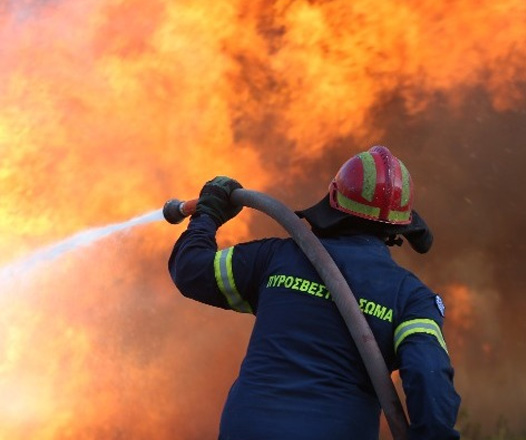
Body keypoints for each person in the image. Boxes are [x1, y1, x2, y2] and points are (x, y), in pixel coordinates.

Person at [168, 146, 461, 440]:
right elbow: (427, 375)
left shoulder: (275, 258)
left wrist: (208, 214)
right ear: (401, 224)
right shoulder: (410, 298)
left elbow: (190, 269)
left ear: (334, 199)